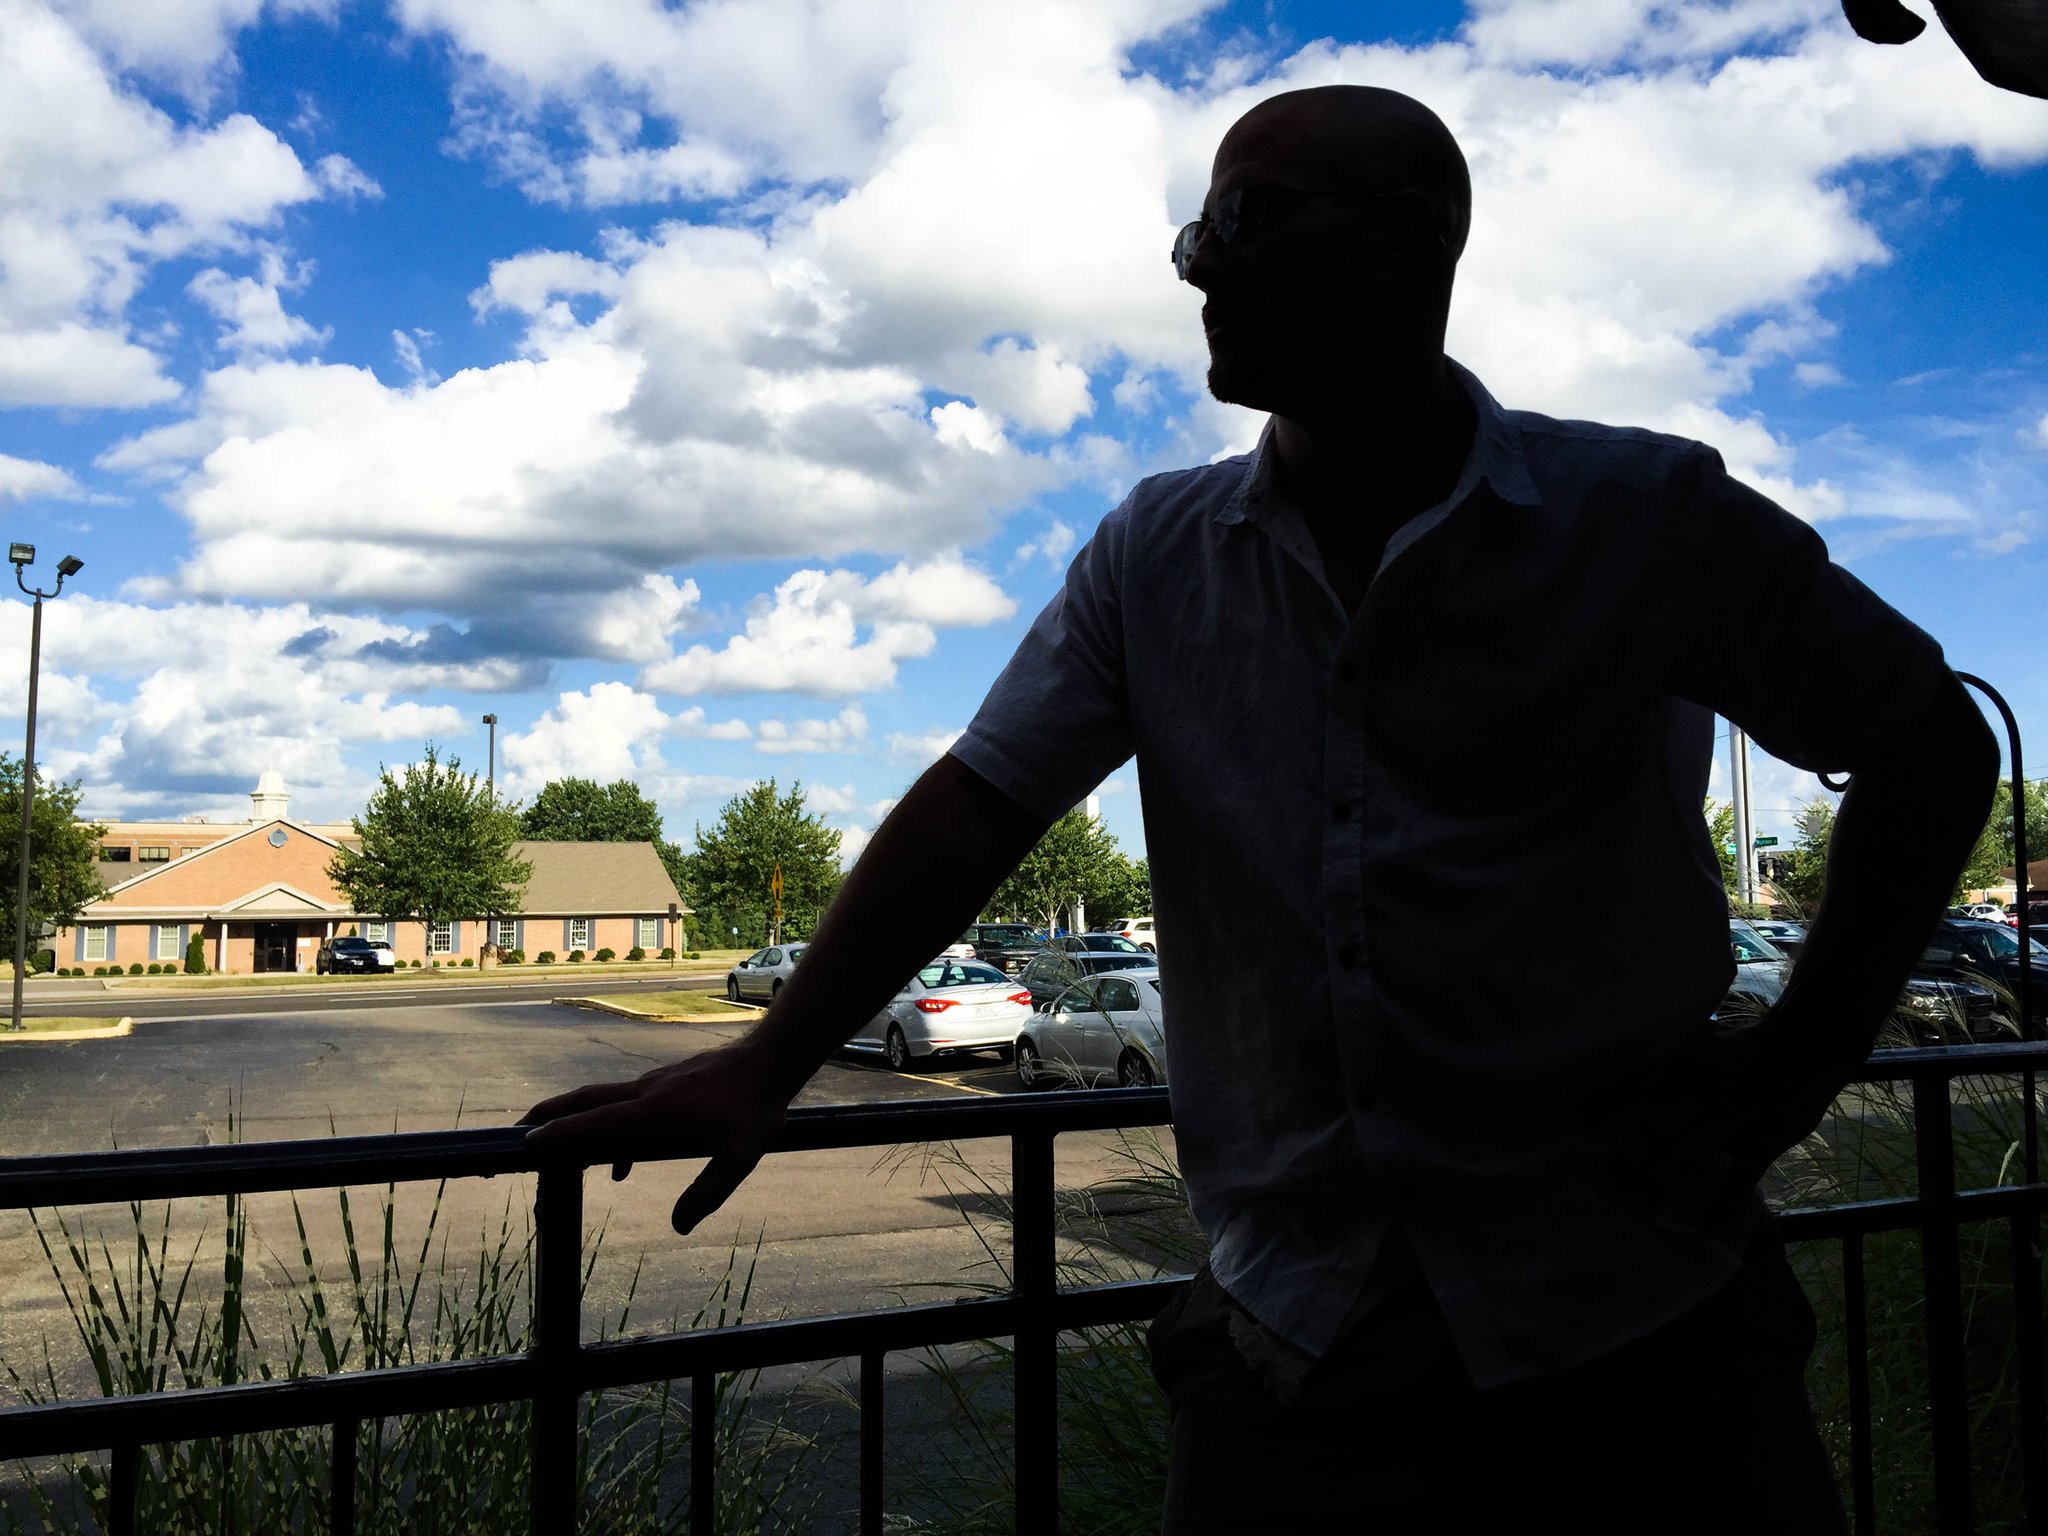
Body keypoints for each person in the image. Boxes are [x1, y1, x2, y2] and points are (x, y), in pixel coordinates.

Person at [522, 85, 1997, 1530]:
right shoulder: (1157, 549)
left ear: (1404, 239)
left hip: (1639, 1334)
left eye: (1240, 218)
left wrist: (1798, 1063)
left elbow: (1931, 746)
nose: (1196, 267)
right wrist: (770, 1060)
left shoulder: (1639, 516)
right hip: (1296, 1341)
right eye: (1195, 232)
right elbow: (981, 801)